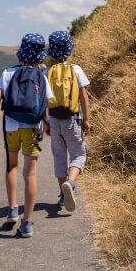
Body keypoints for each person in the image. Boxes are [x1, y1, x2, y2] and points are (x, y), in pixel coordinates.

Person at [0, 33, 53, 238]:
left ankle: (12, 210)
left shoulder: (7, 73)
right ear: (40, 58)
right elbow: (46, 103)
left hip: (10, 127)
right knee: (31, 173)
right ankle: (27, 223)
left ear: (21, 53)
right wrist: (47, 123)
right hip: (33, 128)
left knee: (12, 166)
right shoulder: (42, 76)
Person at [45, 31, 90, 212]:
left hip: (54, 120)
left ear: (51, 53)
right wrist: (86, 120)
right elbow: (83, 97)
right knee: (78, 154)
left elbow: (43, 100)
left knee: (59, 157)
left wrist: (46, 122)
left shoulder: (47, 72)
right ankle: (70, 183)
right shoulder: (75, 69)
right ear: (69, 50)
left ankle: (63, 196)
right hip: (72, 119)